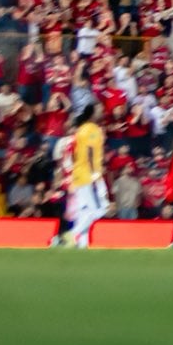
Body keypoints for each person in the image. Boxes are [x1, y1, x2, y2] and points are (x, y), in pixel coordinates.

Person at [58, 104, 107, 249]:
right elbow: (90, 151)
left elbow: (73, 154)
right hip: (88, 175)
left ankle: (82, 244)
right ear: (92, 113)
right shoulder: (92, 129)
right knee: (100, 208)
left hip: (79, 174)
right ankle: (72, 234)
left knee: (84, 211)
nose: (102, 112)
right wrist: (94, 174)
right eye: (99, 110)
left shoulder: (81, 130)